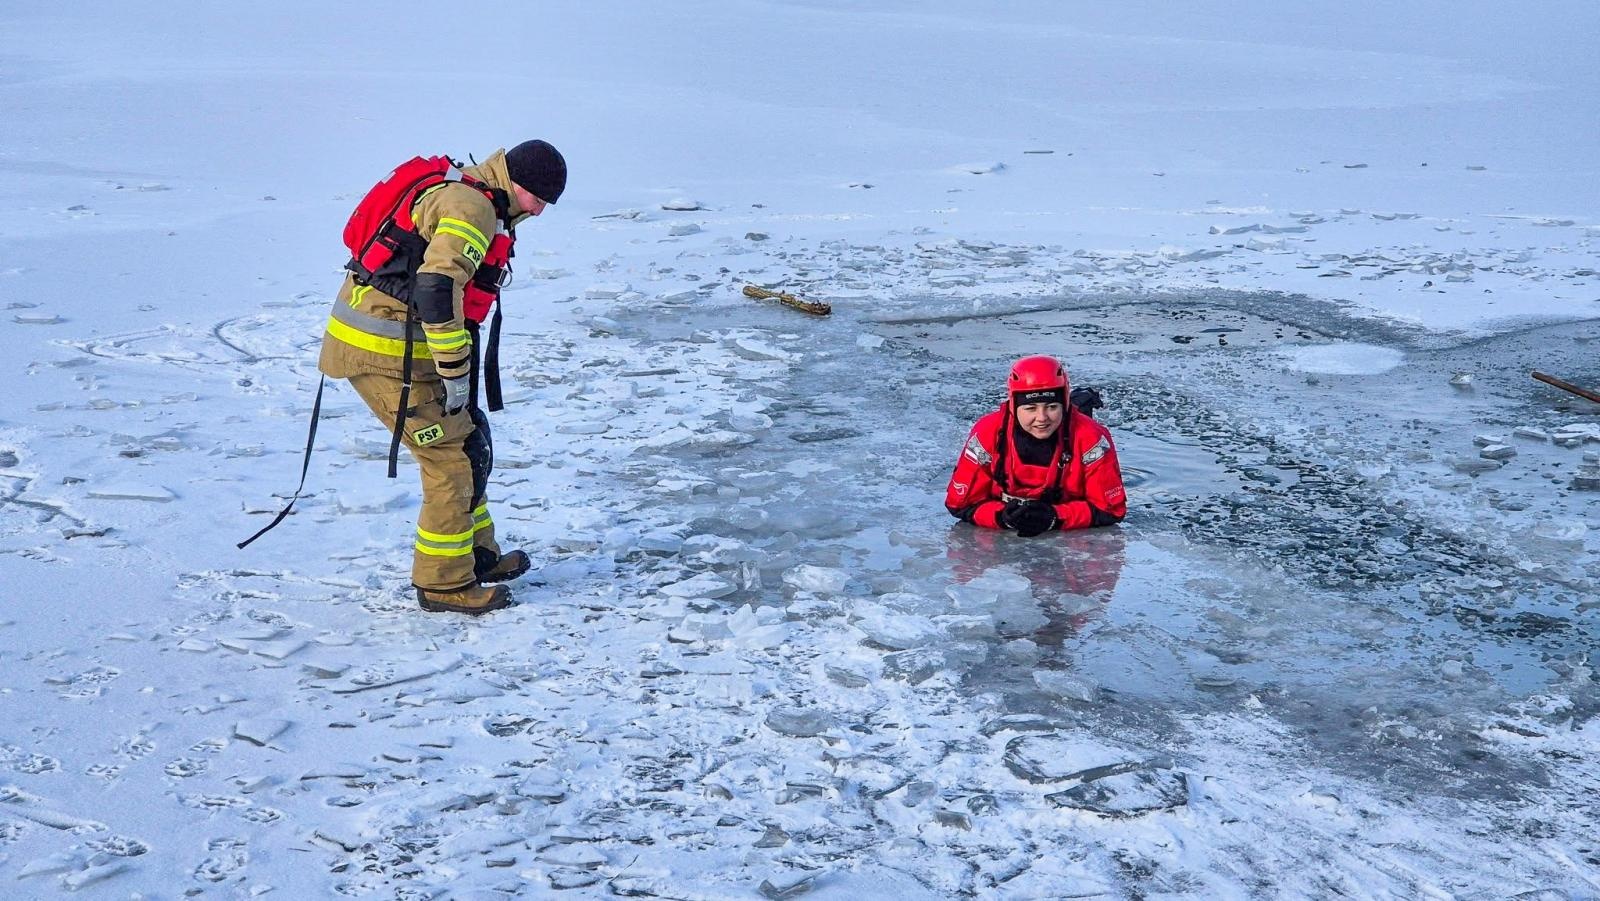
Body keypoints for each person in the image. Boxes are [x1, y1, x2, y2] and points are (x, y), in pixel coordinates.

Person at [318, 140, 566, 614]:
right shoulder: (470, 208)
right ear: (519, 185)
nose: (539, 213)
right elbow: (436, 289)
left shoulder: (477, 195)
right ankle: (444, 585)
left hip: (406, 348)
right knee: (449, 460)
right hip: (383, 354)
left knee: (470, 445)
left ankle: (477, 555)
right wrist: (455, 370)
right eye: (540, 200)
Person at [945, 355, 1126, 536]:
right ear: (1014, 405)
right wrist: (1001, 517)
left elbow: (1110, 510)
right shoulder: (987, 433)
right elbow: (960, 504)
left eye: (1052, 406)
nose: (1042, 418)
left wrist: (1055, 518)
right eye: (1030, 408)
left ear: (1064, 404)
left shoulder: (1091, 438)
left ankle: (1081, 403)